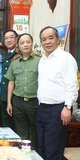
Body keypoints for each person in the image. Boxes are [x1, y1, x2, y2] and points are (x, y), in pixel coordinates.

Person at [36, 26, 78, 160]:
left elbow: (72, 85)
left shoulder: (66, 58)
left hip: (58, 110)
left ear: (58, 39)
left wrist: (67, 107)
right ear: (41, 42)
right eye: (44, 39)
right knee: (41, 147)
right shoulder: (42, 60)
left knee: (53, 150)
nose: (47, 42)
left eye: (50, 38)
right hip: (42, 108)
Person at [5, 33, 41, 150]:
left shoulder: (40, 61)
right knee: (21, 130)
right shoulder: (14, 63)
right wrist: (9, 102)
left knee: (35, 130)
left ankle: (34, 155)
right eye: (22, 43)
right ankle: (23, 154)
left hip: (34, 102)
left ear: (32, 43)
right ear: (18, 46)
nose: (25, 45)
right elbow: (11, 82)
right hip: (18, 102)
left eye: (28, 42)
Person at [0, 29, 20, 130]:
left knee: (16, 125)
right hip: (4, 95)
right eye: (6, 38)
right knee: (6, 125)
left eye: (11, 37)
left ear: (16, 39)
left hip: (15, 95)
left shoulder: (20, 54)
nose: (8, 40)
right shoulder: (5, 55)